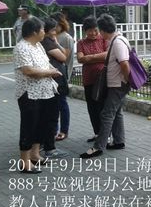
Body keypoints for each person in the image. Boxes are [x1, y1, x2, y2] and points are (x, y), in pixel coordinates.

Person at [13, 17, 62, 173]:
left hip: (46, 92)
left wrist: (52, 70)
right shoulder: (22, 47)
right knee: (29, 126)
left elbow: (45, 63)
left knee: (42, 124)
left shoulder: (38, 46)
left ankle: (35, 155)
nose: (44, 32)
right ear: (34, 31)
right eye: (42, 29)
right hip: (29, 94)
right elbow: (28, 70)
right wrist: (50, 72)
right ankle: (25, 162)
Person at [81, 14, 131, 158]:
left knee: (107, 114)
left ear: (102, 31)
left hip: (118, 84)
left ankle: (98, 147)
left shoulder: (117, 42)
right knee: (117, 112)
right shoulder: (117, 39)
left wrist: (126, 80)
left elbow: (124, 63)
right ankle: (119, 141)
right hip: (118, 83)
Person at [41, 17, 70, 156]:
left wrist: (56, 41)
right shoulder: (46, 42)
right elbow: (64, 57)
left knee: (57, 108)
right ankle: (50, 143)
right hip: (54, 82)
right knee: (54, 111)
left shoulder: (50, 41)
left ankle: (52, 138)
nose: (55, 31)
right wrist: (56, 42)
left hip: (57, 80)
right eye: (53, 29)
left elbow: (64, 55)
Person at [76, 16, 108, 142]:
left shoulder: (103, 39)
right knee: (92, 107)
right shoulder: (81, 43)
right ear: (85, 30)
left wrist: (89, 57)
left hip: (103, 79)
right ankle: (97, 133)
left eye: (96, 30)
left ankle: (106, 134)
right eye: (90, 30)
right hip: (88, 79)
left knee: (103, 106)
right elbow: (79, 58)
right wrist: (98, 57)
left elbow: (107, 55)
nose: (93, 33)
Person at [51, 11, 75, 141]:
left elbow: (65, 57)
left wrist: (55, 42)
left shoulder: (66, 38)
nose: (53, 28)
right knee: (54, 104)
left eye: (56, 25)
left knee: (62, 103)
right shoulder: (53, 36)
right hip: (53, 76)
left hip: (63, 76)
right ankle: (54, 130)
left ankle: (64, 130)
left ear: (61, 24)